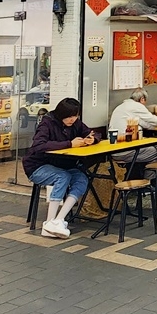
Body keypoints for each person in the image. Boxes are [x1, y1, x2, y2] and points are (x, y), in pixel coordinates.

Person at [22, 98, 97, 240]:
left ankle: (58, 220)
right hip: (37, 166)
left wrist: (92, 139)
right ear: (60, 114)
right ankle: (49, 222)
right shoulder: (47, 123)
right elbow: (39, 146)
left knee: (82, 179)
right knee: (62, 177)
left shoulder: (76, 123)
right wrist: (69, 144)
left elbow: (92, 132)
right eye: (69, 116)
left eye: (75, 116)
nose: (72, 119)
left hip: (62, 165)